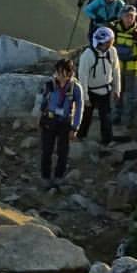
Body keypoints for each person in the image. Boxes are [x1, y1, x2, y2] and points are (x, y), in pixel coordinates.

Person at [38, 58, 85, 190]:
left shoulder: (76, 88)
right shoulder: (49, 84)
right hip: (49, 120)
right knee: (46, 151)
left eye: (63, 73)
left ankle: (59, 177)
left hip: (65, 123)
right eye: (58, 73)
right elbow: (42, 102)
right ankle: (45, 177)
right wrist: (39, 118)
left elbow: (80, 108)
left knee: (62, 152)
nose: (60, 76)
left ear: (70, 73)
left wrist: (75, 127)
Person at [77, 27, 121, 146]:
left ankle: (107, 140)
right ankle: (81, 136)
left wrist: (117, 89)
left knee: (106, 116)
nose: (111, 43)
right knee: (86, 116)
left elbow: (116, 70)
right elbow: (83, 77)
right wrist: (85, 97)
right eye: (109, 41)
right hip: (91, 91)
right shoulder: (87, 55)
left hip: (106, 89)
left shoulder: (112, 51)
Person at [113, 5, 137, 124]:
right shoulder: (114, 29)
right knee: (118, 92)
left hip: (132, 68)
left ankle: (129, 119)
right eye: (127, 16)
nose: (129, 19)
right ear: (121, 16)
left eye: (132, 16)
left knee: (131, 95)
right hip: (117, 67)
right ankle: (116, 116)